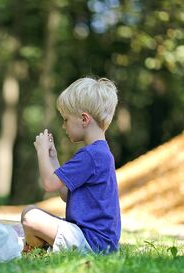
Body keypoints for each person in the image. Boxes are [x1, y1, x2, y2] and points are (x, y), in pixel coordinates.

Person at [21, 77, 121, 254]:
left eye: (66, 119)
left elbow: (49, 184)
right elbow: (67, 194)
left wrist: (42, 152)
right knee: (30, 211)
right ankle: (39, 250)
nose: (63, 125)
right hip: (93, 239)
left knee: (31, 217)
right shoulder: (99, 152)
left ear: (84, 119)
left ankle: (34, 251)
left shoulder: (91, 155)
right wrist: (53, 158)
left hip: (93, 242)